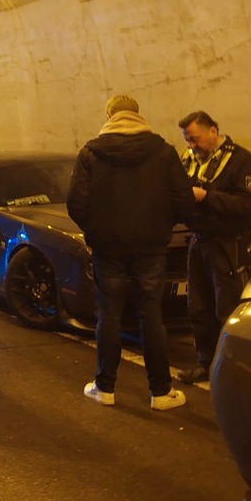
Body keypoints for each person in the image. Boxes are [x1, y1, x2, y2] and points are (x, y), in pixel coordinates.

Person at [66, 95, 193, 410]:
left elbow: (76, 203)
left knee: (109, 316)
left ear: (109, 116)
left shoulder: (90, 153)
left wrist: (98, 230)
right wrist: (160, 226)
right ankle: (161, 393)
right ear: (137, 114)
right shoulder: (164, 152)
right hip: (151, 248)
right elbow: (184, 201)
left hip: (108, 249)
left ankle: (104, 387)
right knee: (151, 316)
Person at [176, 110, 251, 384]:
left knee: (228, 307)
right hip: (199, 240)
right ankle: (205, 363)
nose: (191, 145)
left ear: (213, 131)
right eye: (188, 140)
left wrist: (207, 197)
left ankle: (234, 370)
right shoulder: (188, 160)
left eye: (195, 139)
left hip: (227, 244)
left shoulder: (241, 161)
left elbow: (248, 204)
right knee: (198, 307)